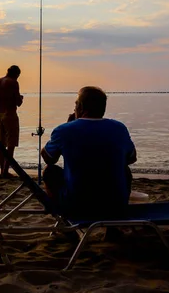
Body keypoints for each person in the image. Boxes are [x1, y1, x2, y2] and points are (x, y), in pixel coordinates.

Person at [41, 86, 136, 218]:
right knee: (124, 170)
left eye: (75, 105)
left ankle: (61, 213)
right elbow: (131, 158)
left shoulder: (63, 130)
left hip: (77, 206)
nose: (74, 109)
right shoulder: (119, 128)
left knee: (49, 171)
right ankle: (112, 227)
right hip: (114, 206)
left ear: (80, 107)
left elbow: (49, 158)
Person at [0, 65, 24, 178]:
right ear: (16, 74)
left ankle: (2, 170)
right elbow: (18, 102)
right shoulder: (13, 82)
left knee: (1, 145)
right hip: (10, 114)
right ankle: (5, 171)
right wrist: (20, 97)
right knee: (11, 144)